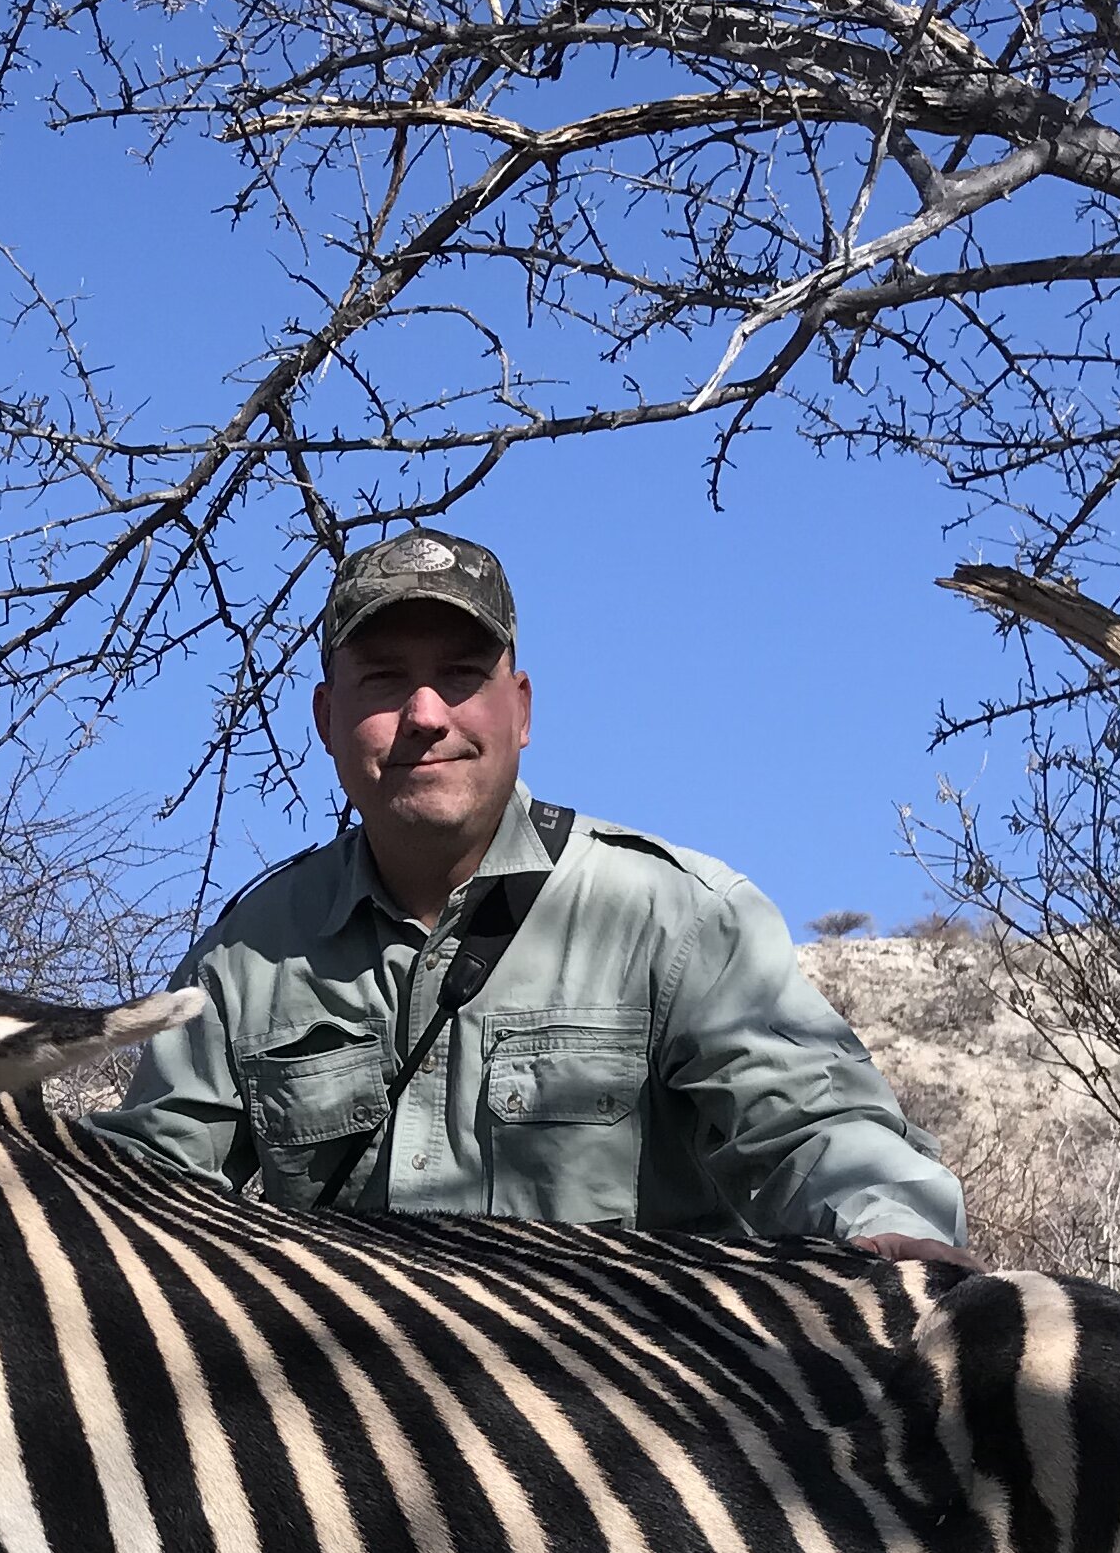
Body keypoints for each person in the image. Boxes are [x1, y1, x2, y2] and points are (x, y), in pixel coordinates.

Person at [92, 527, 973, 1264]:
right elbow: (144, 1204)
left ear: (521, 708)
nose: (427, 714)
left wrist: (890, 1234)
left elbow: (816, 1127)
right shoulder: (243, 960)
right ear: (326, 718)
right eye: (385, 680)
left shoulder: (676, 918)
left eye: (464, 676)